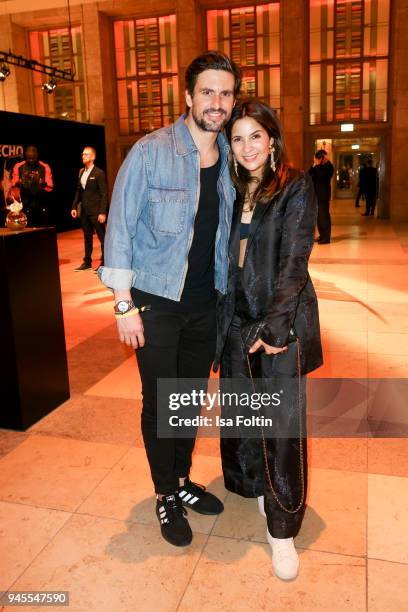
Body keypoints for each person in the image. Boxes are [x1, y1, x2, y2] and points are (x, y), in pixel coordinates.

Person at [99, 51, 240, 547]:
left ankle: (181, 483)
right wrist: (123, 304)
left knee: (187, 400)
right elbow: (119, 227)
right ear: (188, 97)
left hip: (206, 303)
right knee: (160, 402)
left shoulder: (230, 160)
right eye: (207, 91)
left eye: (225, 93)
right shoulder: (151, 150)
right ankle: (164, 492)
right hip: (154, 300)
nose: (216, 102)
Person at [215, 100, 323, 580]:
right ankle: (260, 490)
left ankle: (283, 530)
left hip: (279, 324)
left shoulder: (295, 186)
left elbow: (293, 264)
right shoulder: (233, 191)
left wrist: (278, 330)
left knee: (281, 432)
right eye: (237, 138)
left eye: (255, 136)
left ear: (272, 139)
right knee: (243, 417)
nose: (246, 147)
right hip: (236, 324)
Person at [71, 147, 108, 271]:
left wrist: (102, 212)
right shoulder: (81, 172)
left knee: (102, 237)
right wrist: (74, 206)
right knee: (87, 237)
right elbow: (78, 191)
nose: (83, 156)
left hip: (96, 211)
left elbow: (104, 194)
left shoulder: (99, 173)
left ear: (93, 157)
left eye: (86, 154)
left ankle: (105, 262)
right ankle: (87, 261)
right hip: (85, 211)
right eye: (82, 154)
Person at [11, 145, 54, 226]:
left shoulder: (45, 167)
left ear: (37, 156)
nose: (31, 160)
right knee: (27, 230)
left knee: (42, 230)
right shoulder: (18, 166)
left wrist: (40, 181)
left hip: (41, 204)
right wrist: (20, 182)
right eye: (28, 158)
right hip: (25, 205)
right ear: (25, 156)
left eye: (33, 158)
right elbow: (13, 183)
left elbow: (50, 186)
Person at [308, 149, 334, 244]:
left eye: (320, 157)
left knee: (324, 216)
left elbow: (322, 177)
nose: (319, 159)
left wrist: (318, 165)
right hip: (316, 194)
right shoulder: (318, 166)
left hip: (323, 195)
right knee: (319, 217)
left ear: (324, 156)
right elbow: (309, 174)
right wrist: (314, 164)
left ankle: (326, 238)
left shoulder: (329, 167)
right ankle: (322, 235)